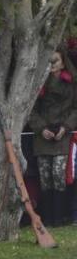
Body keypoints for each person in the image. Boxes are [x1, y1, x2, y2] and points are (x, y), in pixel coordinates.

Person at [28, 46, 76, 227]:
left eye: (54, 61)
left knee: (58, 174)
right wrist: (41, 128)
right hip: (43, 133)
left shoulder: (72, 82)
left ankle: (60, 217)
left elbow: (75, 109)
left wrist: (66, 127)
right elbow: (30, 110)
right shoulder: (39, 83)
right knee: (45, 176)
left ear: (63, 62)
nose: (51, 65)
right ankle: (47, 217)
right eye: (49, 62)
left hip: (63, 133)